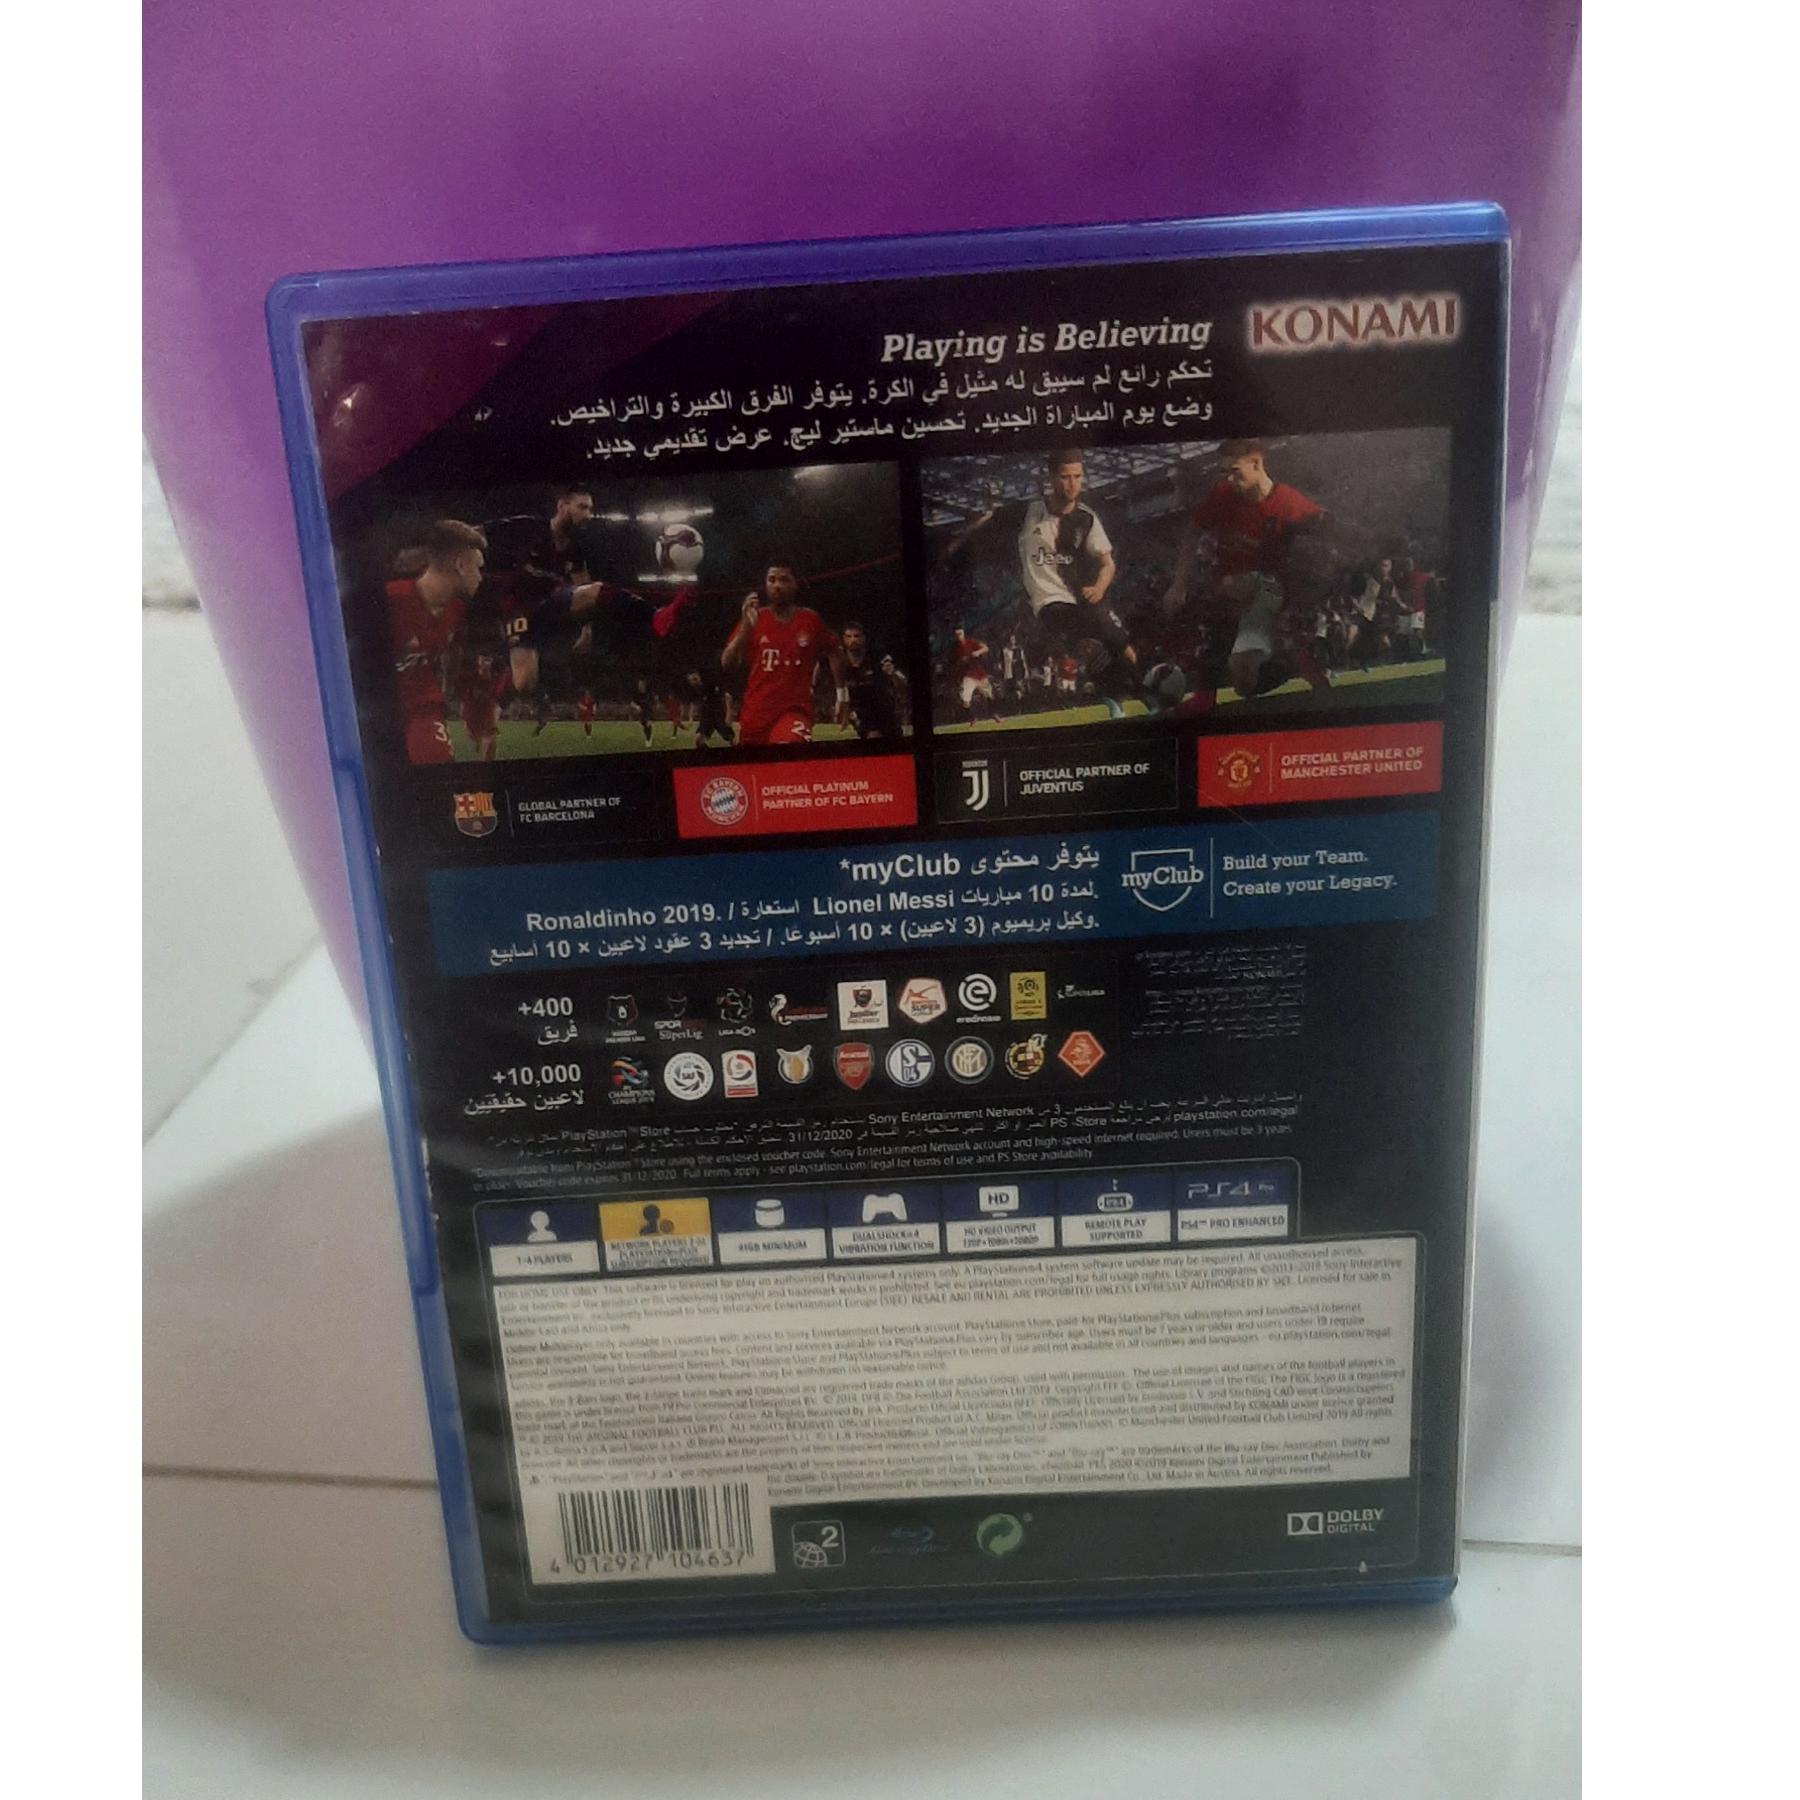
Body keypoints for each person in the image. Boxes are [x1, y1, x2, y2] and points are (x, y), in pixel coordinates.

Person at [944, 449, 1139, 711]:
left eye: (1077, 476)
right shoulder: (1028, 511)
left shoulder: (1086, 518)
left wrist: (1099, 587)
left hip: (1087, 594)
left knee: (1123, 647)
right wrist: (957, 542)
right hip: (1050, 600)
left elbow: (1108, 564)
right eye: (1065, 477)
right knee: (1089, 644)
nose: (1072, 484)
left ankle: (1144, 696)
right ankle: (1115, 701)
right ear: (1051, 478)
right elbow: (989, 518)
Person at [1161, 440, 1340, 702]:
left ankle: (1205, 701)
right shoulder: (1223, 494)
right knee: (1244, 686)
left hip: (1265, 594)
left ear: (1256, 463)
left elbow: (1325, 526)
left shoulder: (1288, 502)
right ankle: (1293, 664)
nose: (1229, 479)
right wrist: (1179, 584)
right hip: (1230, 595)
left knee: (1235, 591)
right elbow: (1192, 533)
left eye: (1235, 471)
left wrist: (1324, 528)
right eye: (1224, 472)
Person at [388, 519, 484, 763]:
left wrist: (445, 692)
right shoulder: (391, 601)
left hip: (422, 709)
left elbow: (453, 654)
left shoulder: (455, 610)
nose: (480, 577)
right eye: (478, 567)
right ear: (460, 565)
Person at [721, 561, 846, 746]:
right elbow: (726, 663)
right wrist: (745, 630)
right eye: (771, 580)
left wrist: (842, 695)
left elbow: (835, 651)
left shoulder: (809, 620)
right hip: (756, 714)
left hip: (795, 711)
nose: (777, 585)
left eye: (784, 580)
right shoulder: (754, 619)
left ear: (795, 584)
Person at [841, 621, 905, 739]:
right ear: (843, 639)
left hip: (884, 710)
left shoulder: (877, 656)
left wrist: (893, 674)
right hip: (860, 711)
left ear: (863, 638)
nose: (853, 640)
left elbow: (901, 680)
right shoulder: (840, 660)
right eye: (849, 636)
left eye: (856, 636)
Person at [458, 652, 508, 761]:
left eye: (488, 659)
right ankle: (478, 740)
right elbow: (465, 698)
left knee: (489, 734)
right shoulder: (470, 676)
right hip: (472, 707)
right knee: (474, 736)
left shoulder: (497, 676)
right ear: (478, 662)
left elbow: (498, 695)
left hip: (489, 705)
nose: (486, 662)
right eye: (483, 659)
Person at [949, 626, 995, 726]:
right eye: (956, 635)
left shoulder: (971, 642)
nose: (959, 637)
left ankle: (994, 714)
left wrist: (977, 652)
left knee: (989, 695)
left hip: (979, 674)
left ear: (963, 634)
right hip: (968, 676)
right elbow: (953, 664)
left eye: (960, 634)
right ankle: (972, 718)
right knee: (964, 698)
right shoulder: (954, 649)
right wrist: (961, 662)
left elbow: (986, 648)